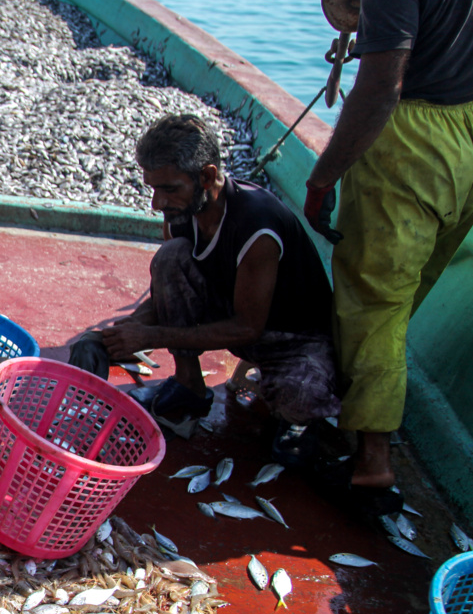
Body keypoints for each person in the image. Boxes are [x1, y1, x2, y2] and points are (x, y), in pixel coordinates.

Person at [304, 0, 473, 519]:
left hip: (414, 145)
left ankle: (371, 463)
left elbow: (380, 88)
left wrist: (323, 177)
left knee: (374, 303)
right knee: (411, 287)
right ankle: (363, 396)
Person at [97, 114, 341, 462]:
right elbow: (172, 289)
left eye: (169, 189)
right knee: (170, 257)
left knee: (299, 398)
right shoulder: (183, 213)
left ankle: (299, 421)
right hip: (234, 315)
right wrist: (131, 327)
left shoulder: (258, 228)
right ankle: (188, 386)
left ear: (207, 176)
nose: (157, 203)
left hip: (292, 337)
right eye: (153, 188)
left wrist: (149, 338)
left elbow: (248, 327)